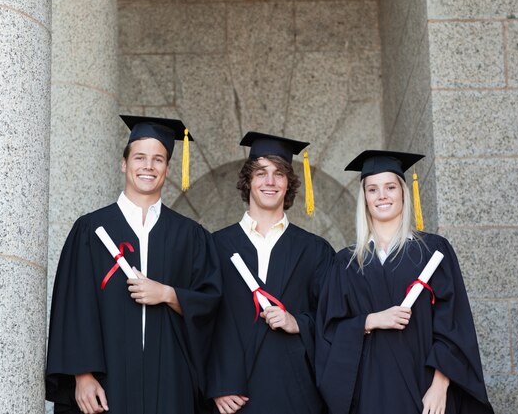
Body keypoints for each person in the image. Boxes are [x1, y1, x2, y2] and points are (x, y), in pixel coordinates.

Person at [46, 116, 221, 414]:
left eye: (158, 159)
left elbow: (211, 303)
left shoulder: (190, 236)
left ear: (167, 169)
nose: (148, 166)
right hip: (106, 381)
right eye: (140, 157)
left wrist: (167, 293)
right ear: (124, 164)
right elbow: (73, 306)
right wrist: (83, 376)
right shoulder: (90, 230)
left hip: (169, 381)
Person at [315, 150, 494, 414]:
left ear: (403, 192)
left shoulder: (433, 251)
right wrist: (370, 321)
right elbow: (328, 330)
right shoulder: (347, 263)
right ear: (364, 198)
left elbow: (453, 324)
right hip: (370, 392)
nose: (382, 196)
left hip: (424, 388)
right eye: (373, 189)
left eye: (390, 187)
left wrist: (440, 386)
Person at [207, 132, 335, 414]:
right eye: (261, 173)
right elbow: (201, 321)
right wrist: (216, 383)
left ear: (288, 183)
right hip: (233, 396)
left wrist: (297, 322)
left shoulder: (315, 250)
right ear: (248, 181)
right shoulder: (215, 246)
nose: (270, 181)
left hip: (296, 394)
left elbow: (333, 322)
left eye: (279, 174)